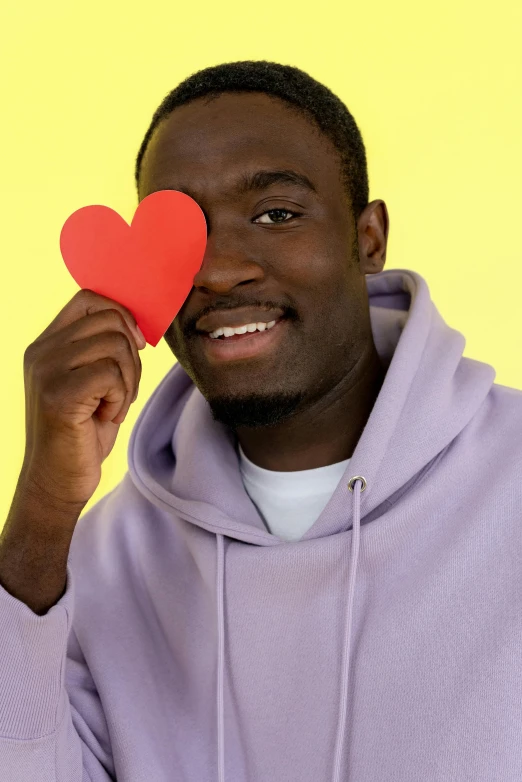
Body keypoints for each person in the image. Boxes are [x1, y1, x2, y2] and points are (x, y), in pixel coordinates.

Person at [1, 60, 521, 782]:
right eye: (179, 233)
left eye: (276, 214)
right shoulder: (90, 562)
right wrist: (42, 512)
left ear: (368, 240)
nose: (217, 270)